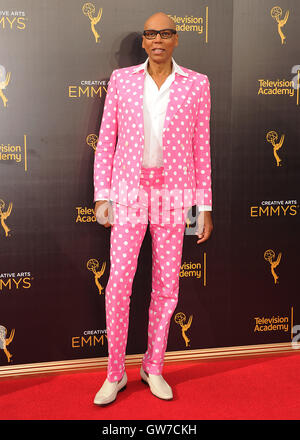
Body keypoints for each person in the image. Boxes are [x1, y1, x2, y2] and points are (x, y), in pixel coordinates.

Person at [93, 12, 213, 405]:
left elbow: (202, 148)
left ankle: (153, 366)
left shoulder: (197, 84)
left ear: (176, 39)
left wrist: (205, 206)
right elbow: (106, 142)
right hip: (127, 195)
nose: (157, 39)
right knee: (118, 286)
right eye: (150, 33)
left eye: (165, 33)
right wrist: (101, 196)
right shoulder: (122, 81)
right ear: (143, 41)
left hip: (174, 198)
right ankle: (115, 373)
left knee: (166, 287)